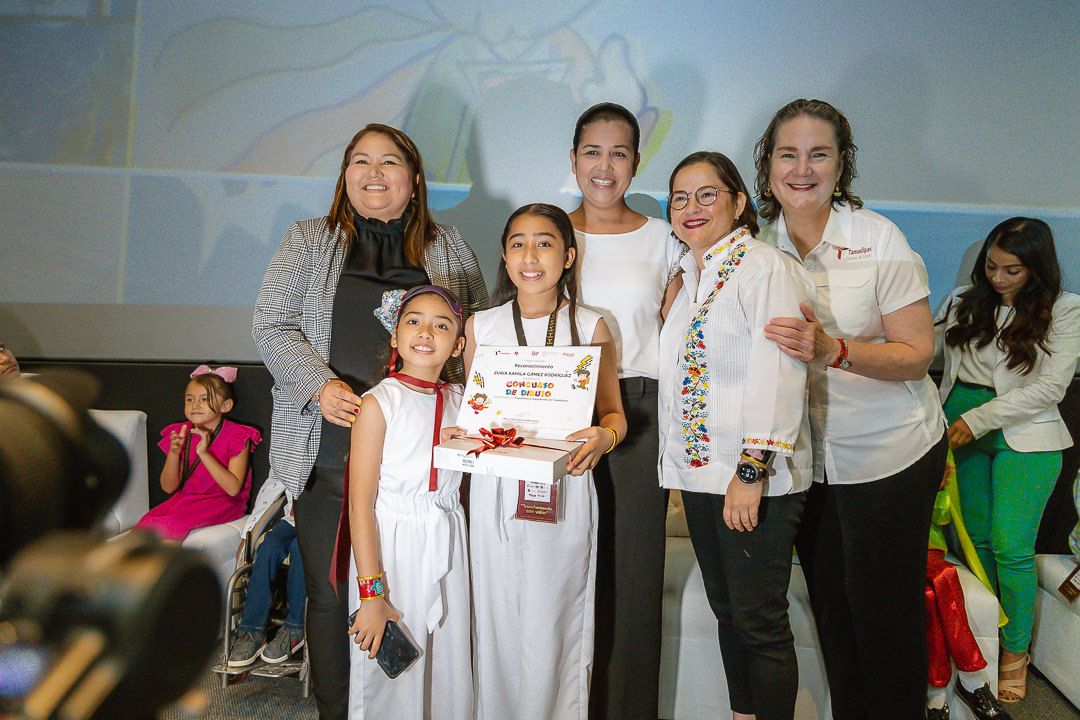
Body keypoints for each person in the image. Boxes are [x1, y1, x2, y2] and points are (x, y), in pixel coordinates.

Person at [252, 123, 488, 720]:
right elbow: (271, 324)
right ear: (344, 174)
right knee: (333, 596)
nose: (374, 173)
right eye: (360, 161)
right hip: (329, 451)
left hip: (420, 467)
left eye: (389, 162)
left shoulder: (450, 247)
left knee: (424, 595)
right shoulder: (308, 240)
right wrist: (319, 384)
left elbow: (477, 339)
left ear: (415, 178)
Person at [757, 99, 948, 720]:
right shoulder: (754, 244)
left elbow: (917, 355)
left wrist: (832, 349)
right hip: (808, 462)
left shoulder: (879, 238)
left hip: (890, 453)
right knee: (833, 613)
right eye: (788, 154)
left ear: (841, 166)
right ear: (767, 166)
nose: (802, 169)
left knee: (885, 616)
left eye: (819, 155)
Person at [659, 151, 812, 720]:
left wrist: (751, 470)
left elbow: (780, 372)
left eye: (707, 194)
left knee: (759, 620)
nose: (692, 207)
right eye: (680, 198)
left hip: (754, 477)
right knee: (728, 611)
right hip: (704, 476)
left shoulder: (764, 268)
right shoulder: (690, 278)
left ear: (739, 201)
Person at [465, 204, 626, 720]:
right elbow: (471, 412)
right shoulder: (480, 326)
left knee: (555, 616)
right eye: (517, 243)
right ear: (504, 256)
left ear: (568, 256)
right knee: (495, 616)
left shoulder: (591, 324)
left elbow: (615, 415)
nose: (530, 256)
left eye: (545, 243)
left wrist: (604, 437)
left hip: (565, 487)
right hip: (494, 491)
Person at [567, 102, 682, 720]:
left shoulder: (663, 236)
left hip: (639, 412)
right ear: (573, 160)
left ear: (637, 162)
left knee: (633, 577)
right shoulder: (548, 231)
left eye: (619, 153)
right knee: (562, 573)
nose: (604, 166)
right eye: (592, 151)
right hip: (557, 414)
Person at [936, 216, 1080, 704]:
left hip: (1026, 432)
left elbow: (1050, 387)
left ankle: (1015, 651)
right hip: (958, 423)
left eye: (1012, 270)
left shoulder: (1065, 309)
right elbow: (930, 352)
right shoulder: (962, 299)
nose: (998, 278)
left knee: (1011, 546)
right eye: (991, 267)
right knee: (973, 542)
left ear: (1037, 267)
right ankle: (985, 642)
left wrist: (978, 419)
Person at [344, 284, 472, 718]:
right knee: (391, 684)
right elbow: (360, 506)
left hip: (448, 541)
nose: (425, 332)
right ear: (395, 334)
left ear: (458, 345)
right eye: (414, 321)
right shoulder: (379, 403)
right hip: (391, 550)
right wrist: (371, 595)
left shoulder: (463, 402)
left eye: (442, 325)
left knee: (446, 668)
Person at [135, 365, 261, 541]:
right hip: (187, 500)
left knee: (171, 525)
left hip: (225, 502)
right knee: (146, 524)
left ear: (226, 405)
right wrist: (173, 454)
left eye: (204, 399)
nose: (195, 405)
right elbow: (168, 487)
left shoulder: (237, 435)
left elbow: (233, 489)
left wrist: (204, 453)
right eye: (189, 399)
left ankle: (167, 558)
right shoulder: (181, 432)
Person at [227, 499, 306, 668]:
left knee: (300, 548)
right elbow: (274, 489)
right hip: (293, 518)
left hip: (325, 519)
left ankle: (295, 628)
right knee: (268, 547)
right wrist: (249, 531)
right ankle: (252, 630)